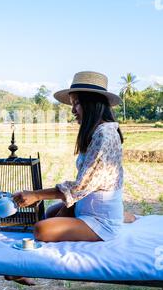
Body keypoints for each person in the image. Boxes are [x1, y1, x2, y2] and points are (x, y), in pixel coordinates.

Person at [13, 71, 136, 243]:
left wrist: (36, 195)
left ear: (91, 104)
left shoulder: (105, 136)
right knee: (49, 214)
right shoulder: (96, 132)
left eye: (76, 103)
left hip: (99, 219)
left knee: (41, 230)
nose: (73, 110)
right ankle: (120, 215)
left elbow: (81, 185)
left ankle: (115, 219)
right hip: (86, 205)